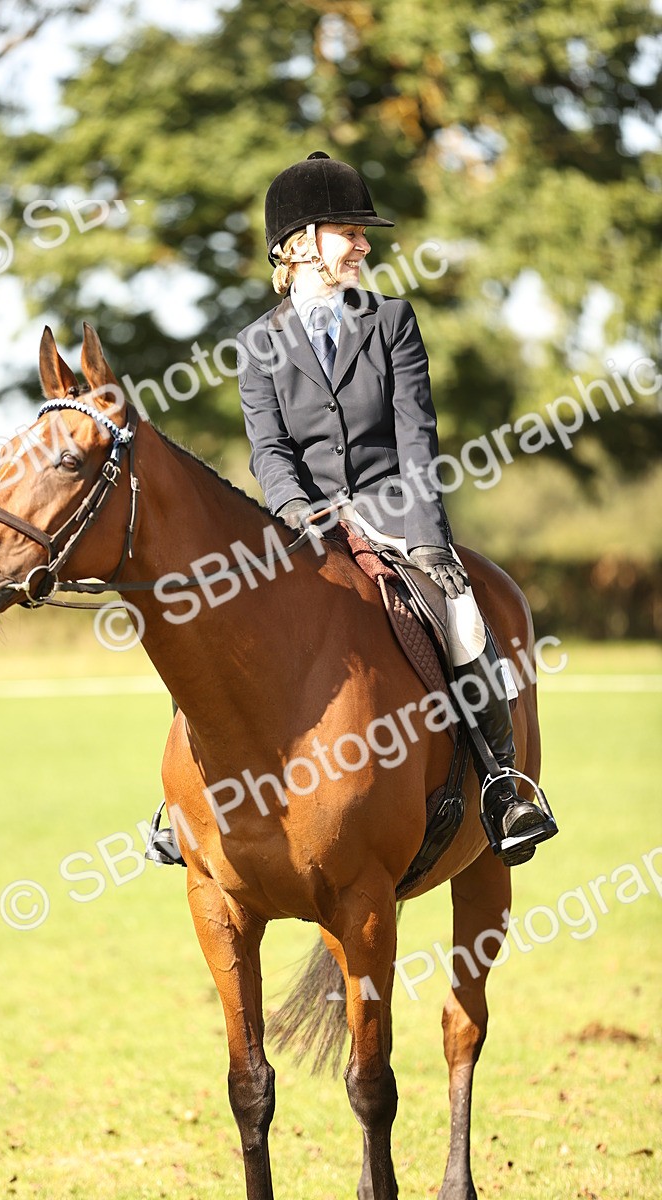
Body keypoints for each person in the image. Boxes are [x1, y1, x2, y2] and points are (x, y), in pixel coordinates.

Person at [232, 150, 557, 868]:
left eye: (362, 233)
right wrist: (294, 511)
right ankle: (185, 802)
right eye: (350, 230)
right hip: (303, 524)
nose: (364, 244)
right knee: (221, 626)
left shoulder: (391, 320)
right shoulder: (257, 345)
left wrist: (431, 541)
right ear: (302, 243)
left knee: (467, 619)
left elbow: (416, 436)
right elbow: (269, 450)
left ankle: (504, 785)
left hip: (393, 509)